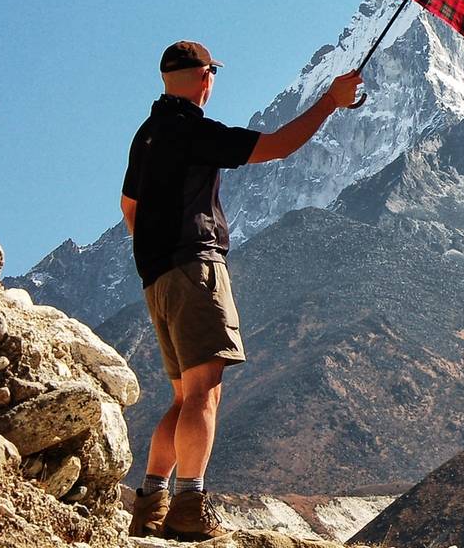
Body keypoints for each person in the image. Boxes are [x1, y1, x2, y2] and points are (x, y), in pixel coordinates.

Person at [122, 40, 361, 540]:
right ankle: (189, 503)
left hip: (157, 278)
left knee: (182, 395)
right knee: (204, 392)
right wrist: (330, 101)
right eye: (212, 74)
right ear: (204, 76)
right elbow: (277, 146)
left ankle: (150, 502)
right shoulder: (192, 130)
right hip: (196, 269)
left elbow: (130, 209)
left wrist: (159, 247)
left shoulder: (146, 134)